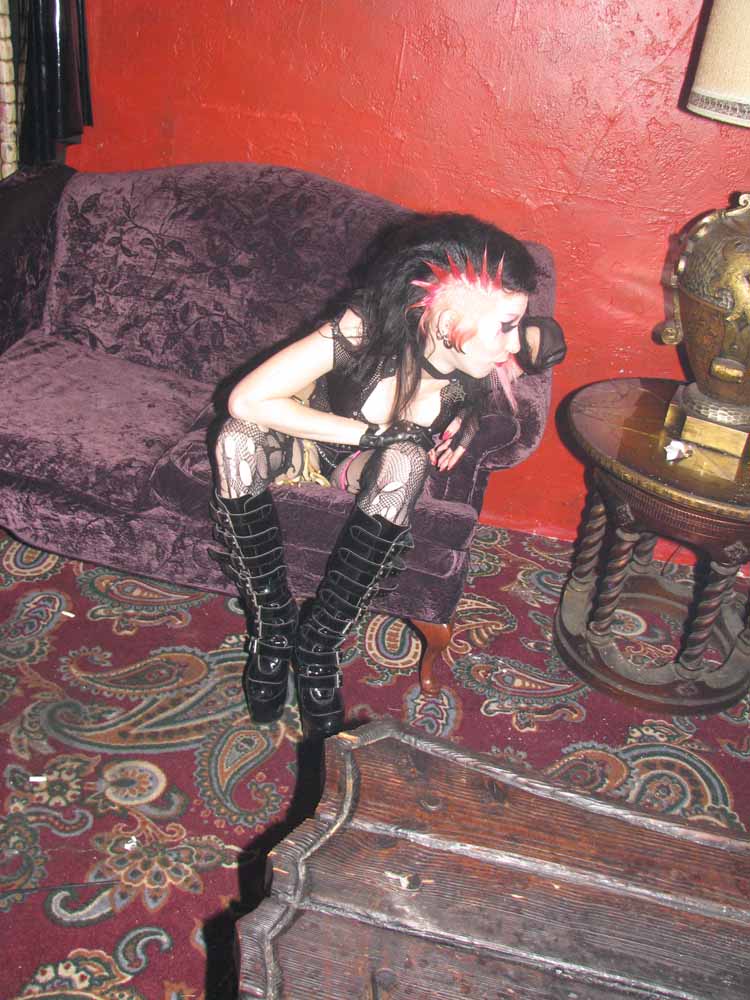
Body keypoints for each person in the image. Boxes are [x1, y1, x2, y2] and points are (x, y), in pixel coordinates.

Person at [210, 213, 565, 738]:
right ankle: (272, 626)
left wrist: (468, 416)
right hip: (305, 441)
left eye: (516, 325)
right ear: (447, 317)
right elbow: (246, 401)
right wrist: (373, 434)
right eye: (505, 326)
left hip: (362, 471)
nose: (511, 345)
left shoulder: (472, 371)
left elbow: (532, 351)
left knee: (407, 462)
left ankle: (319, 643)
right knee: (235, 439)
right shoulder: (361, 330)